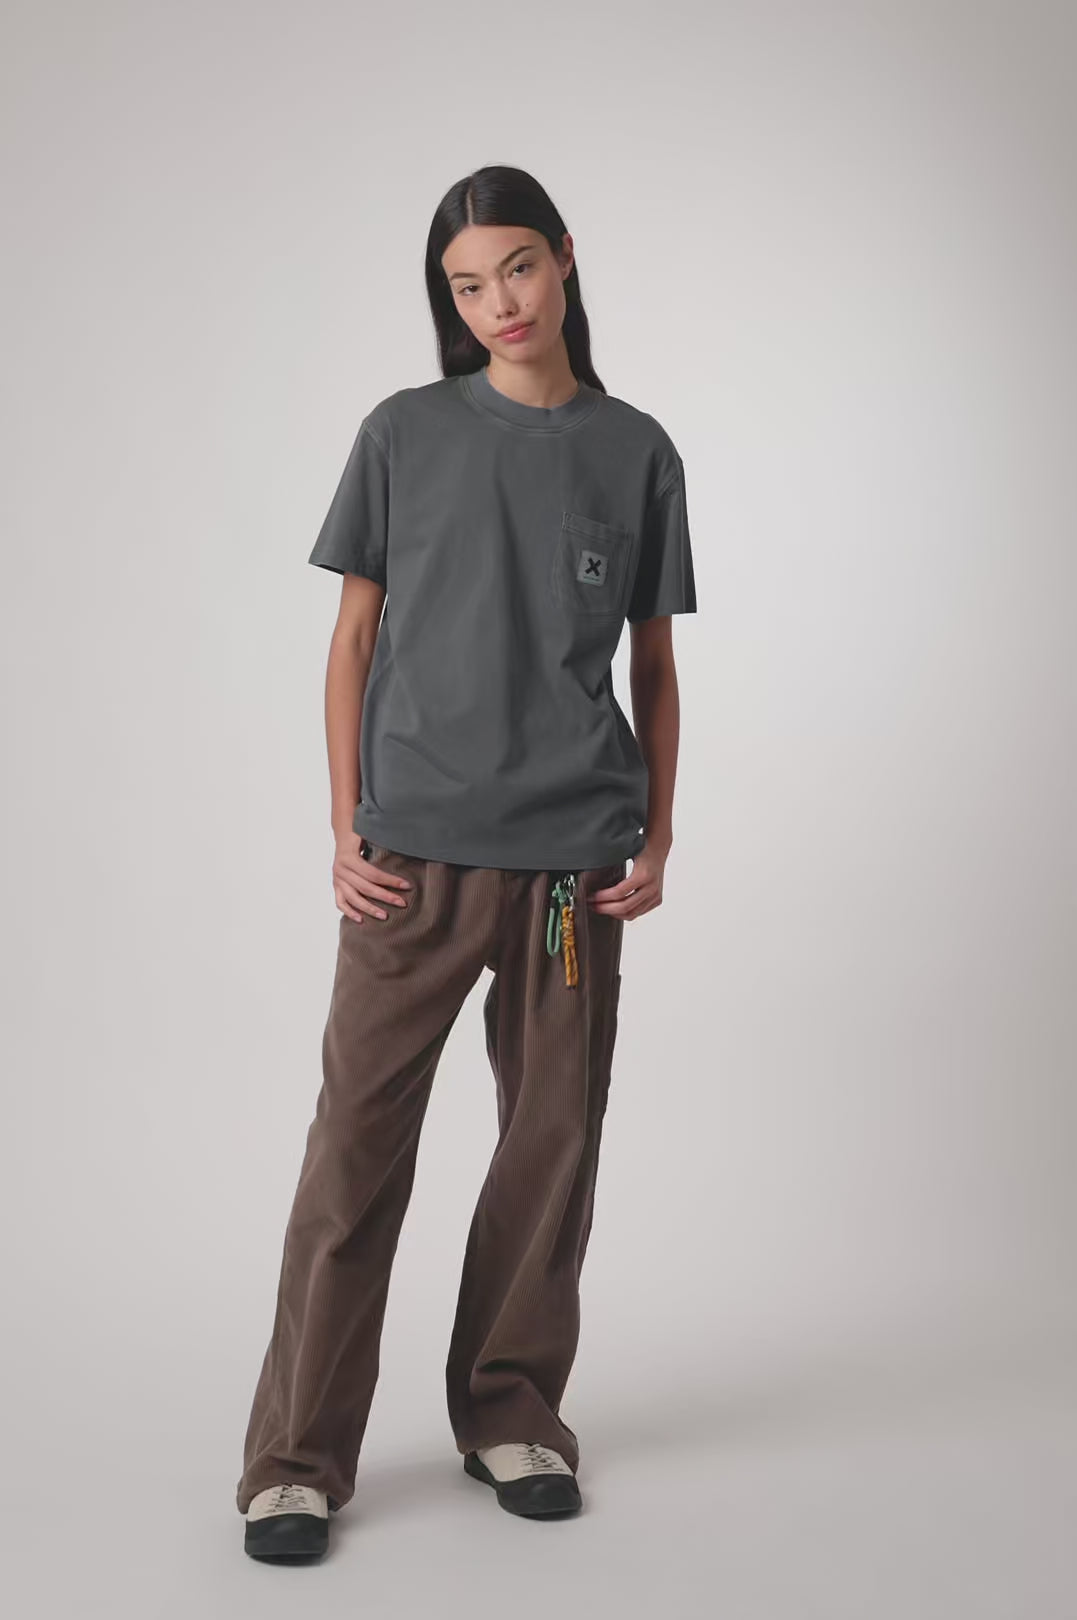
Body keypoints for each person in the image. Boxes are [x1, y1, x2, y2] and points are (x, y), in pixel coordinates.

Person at [236, 163, 697, 1560]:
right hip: (413, 860)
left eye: (517, 268)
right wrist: (344, 825)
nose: (498, 302)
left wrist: (658, 829)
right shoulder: (403, 433)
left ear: (565, 260)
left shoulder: (636, 450)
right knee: (354, 1154)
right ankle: (296, 1457)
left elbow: (654, 664)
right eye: (466, 284)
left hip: (572, 873)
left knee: (551, 1151)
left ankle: (511, 1413)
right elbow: (351, 640)